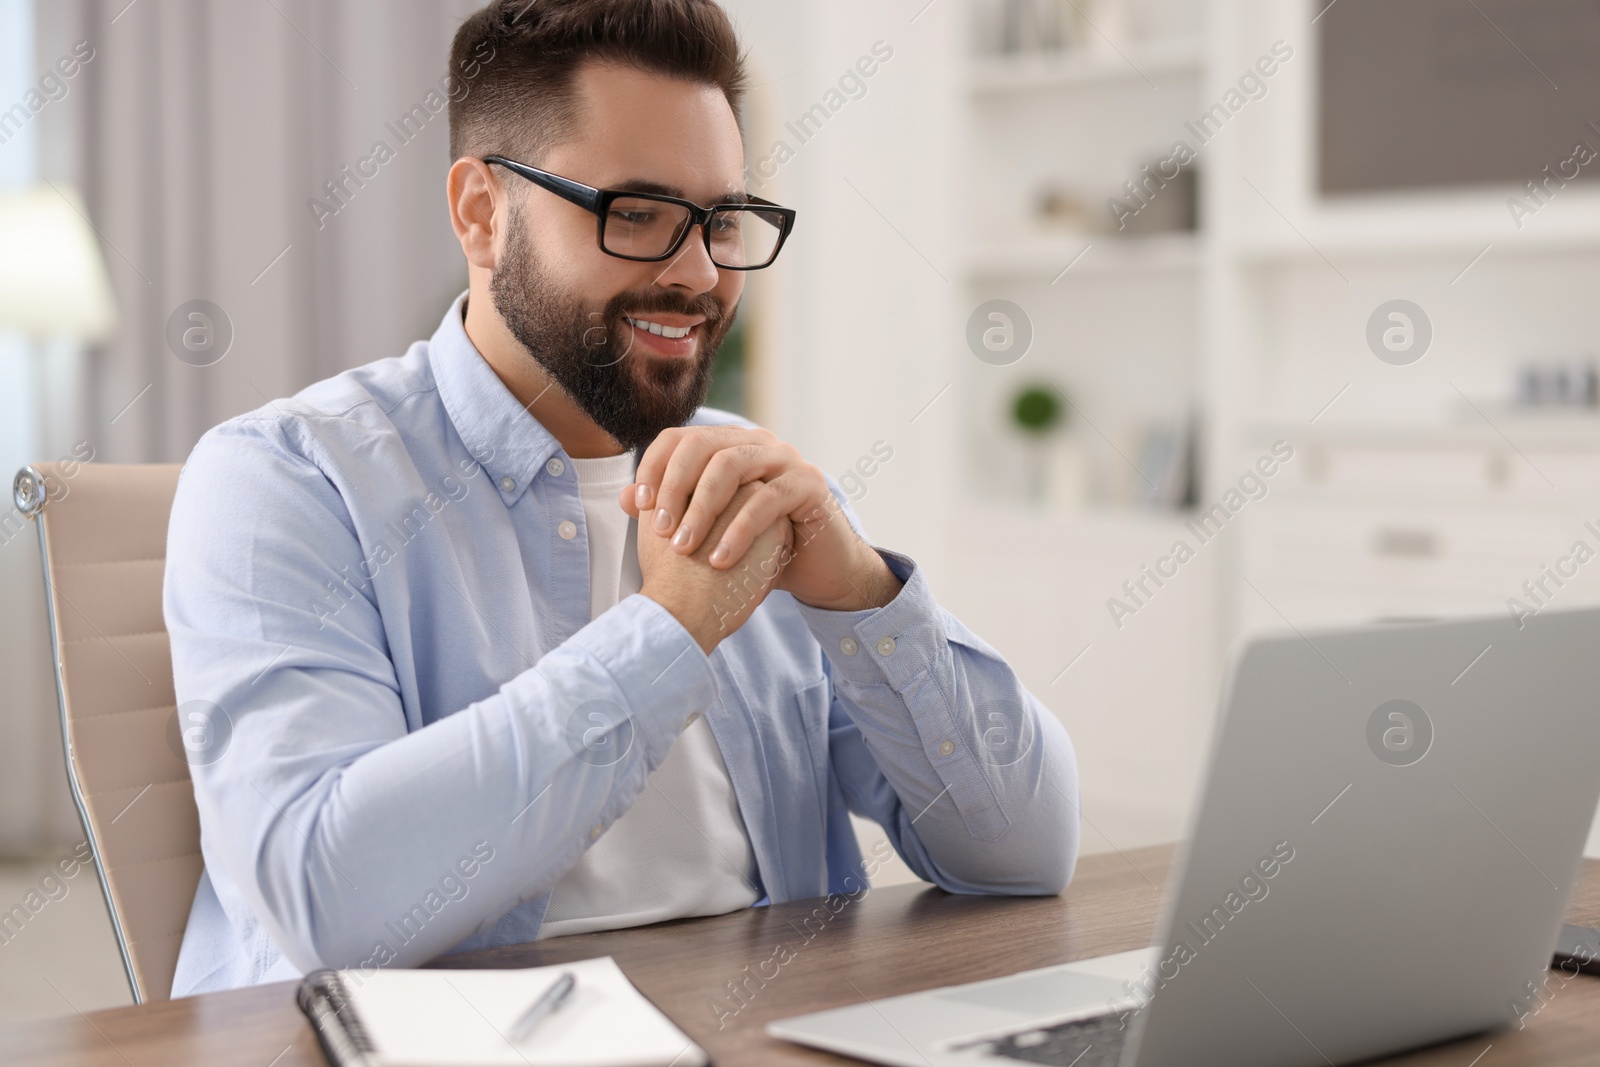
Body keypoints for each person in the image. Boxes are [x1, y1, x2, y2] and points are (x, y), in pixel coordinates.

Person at [164, 0, 1081, 997]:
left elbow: (1022, 854)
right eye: (634, 213)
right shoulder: (286, 479)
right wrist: (672, 628)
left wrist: (860, 592)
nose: (695, 274)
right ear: (481, 212)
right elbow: (327, 897)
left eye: (720, 220)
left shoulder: (755, 484)